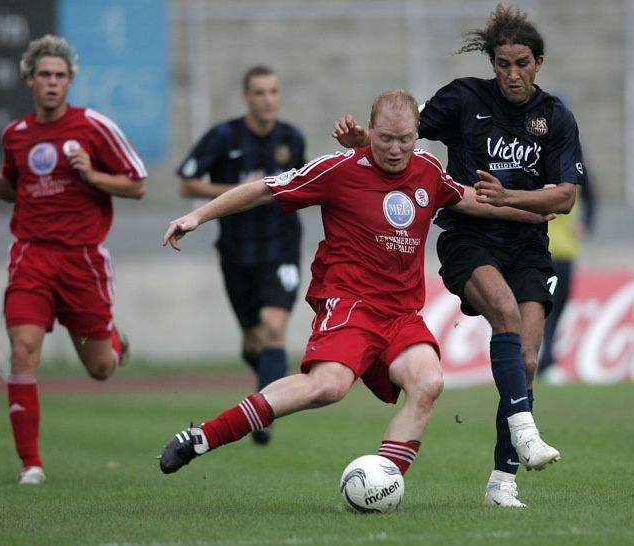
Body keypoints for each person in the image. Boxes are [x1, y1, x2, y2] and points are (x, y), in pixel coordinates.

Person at [158, 90, 553, 482]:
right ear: (370, 129)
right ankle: (204, 436)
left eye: (404, 139)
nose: (395, 149)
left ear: (417, 134)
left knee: (428, 382)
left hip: (401, 315)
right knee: (327, 387)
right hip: (352, 305)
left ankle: (383, 483)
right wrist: (198, 216)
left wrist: (529, 211)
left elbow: (466, 198)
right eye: (385, 138)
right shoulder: (340, 169)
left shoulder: (428, 171)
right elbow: (265, 187)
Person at [332, 4, 587, 507]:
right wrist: (370, 143)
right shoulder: (464, 98)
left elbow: (565, 197)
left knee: (528, 358)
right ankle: (528, 433)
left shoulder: (555, 116)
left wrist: (510, 197)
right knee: (506, 315)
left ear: (539, 62)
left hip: (529, 244)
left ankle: (501, 483)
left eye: (521, 64)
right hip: (468, 238)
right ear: (492, 62)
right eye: (502, 64)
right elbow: (405, 135)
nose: (512, 74)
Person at [0, 35, 147, 485]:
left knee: (100, 369)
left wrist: (91, 174)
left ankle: (113, 343)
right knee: (22, 353)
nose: (51, 82)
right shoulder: (16, 135)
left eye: (59, 76)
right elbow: (11, 186)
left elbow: (137, 184)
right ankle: (31, 465)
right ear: (29, 79)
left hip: (82, 262)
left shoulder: (93, 127)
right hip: (30, 257)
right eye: (43, 75)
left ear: (70, 81)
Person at [175, 66, 306, 445]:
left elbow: (300, 184)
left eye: (274, 92)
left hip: (281, 247)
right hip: (237, 251)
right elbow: (186, 183)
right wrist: (237, 190)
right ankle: (265, 377)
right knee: (254, 340)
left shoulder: (291, 138)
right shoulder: (223, 136)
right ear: (247, 97)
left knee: (274, 327)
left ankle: (263, 416)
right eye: (260, 93)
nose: (268, 99)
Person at [537, 179, 596, 384]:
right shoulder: (534, 161)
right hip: (540, 248)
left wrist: (586, 222)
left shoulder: (575, 166)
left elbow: (591, 196)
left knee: (559, 306)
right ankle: (546, 361)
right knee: (545, 306)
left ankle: (546, 360)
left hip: (566, 250)